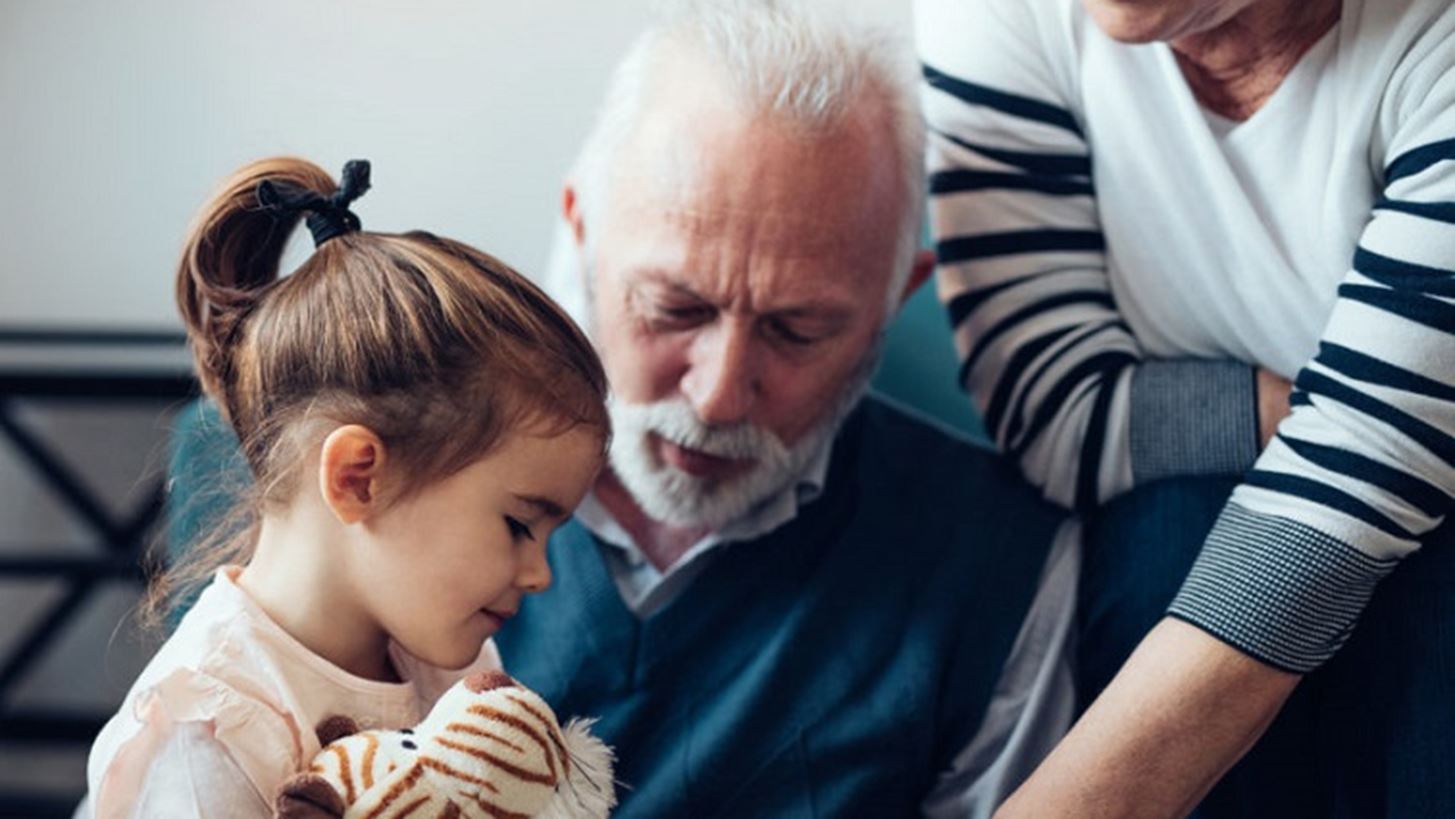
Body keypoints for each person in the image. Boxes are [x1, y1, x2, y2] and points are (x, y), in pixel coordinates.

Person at [495, 1, 1080, 815]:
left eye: (797, 329)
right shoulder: (402, 458)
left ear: (893, 300)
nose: (720, 394)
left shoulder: (1001, 570)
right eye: (675, 307)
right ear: (584, 231)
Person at [917, 0, 1455, 814]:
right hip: (1191, 514)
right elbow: (1055, 407)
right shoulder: (999, 16)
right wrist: (1335, 420)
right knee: (1169, 529)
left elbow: (1353, 502)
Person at [83, 157, 612, 818]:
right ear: (359, 476)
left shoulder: (448, 666)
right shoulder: (208, 732)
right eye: (518, 524)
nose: (540, 575)